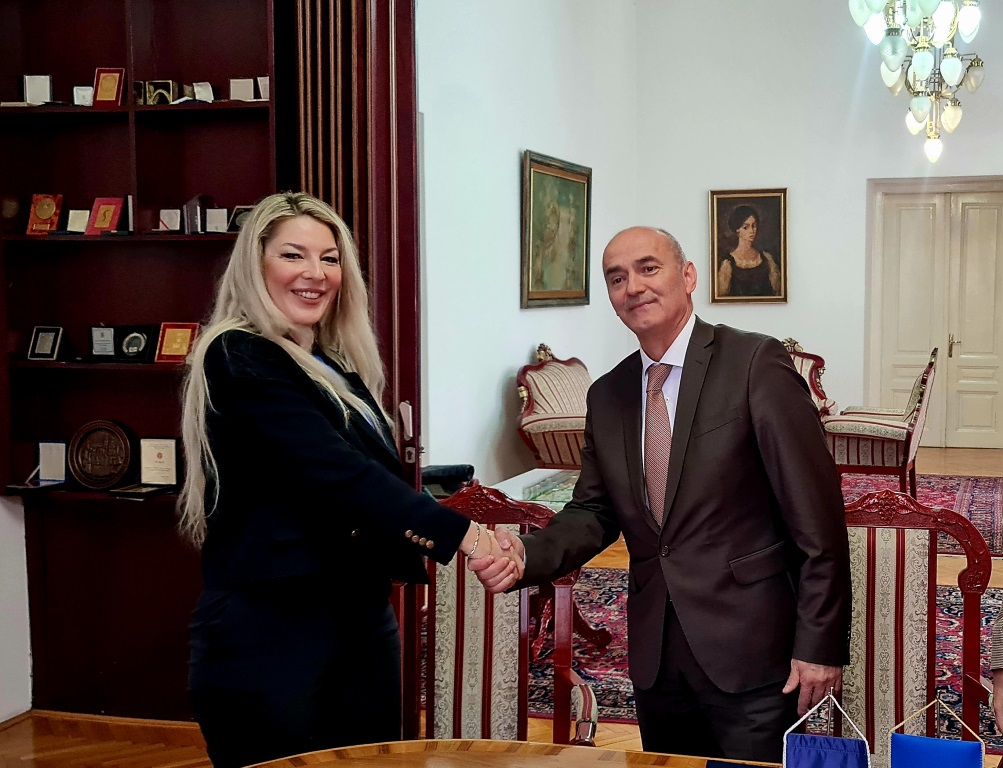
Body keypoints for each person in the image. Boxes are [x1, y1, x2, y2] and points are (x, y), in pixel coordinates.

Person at [472, 226, 851, 763]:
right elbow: (593, 509)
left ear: (688, 276)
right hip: (657, 658)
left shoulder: (753, 363)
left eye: (648, 268)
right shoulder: (608, 394)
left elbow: (818, 516)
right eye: (616, 278)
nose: (633, 287)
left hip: (753, 650)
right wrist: (528, 554)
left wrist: (819, 644)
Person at [178, 192, 519, 768]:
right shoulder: (238, 355)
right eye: (293, 255)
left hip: (357, 616)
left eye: (330, 258)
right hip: (271, 628)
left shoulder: (332, 363)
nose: (315, 273)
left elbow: (374, 476)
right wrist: (469, 538)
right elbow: (338, 473)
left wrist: (456, 520)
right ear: (255, 264)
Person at [717, 204, 781, 297]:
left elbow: (777, 293)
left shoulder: (766, 259)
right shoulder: (728, 263)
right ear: (737, 230)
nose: (752, 231)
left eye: (754, 226)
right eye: (745, 227)